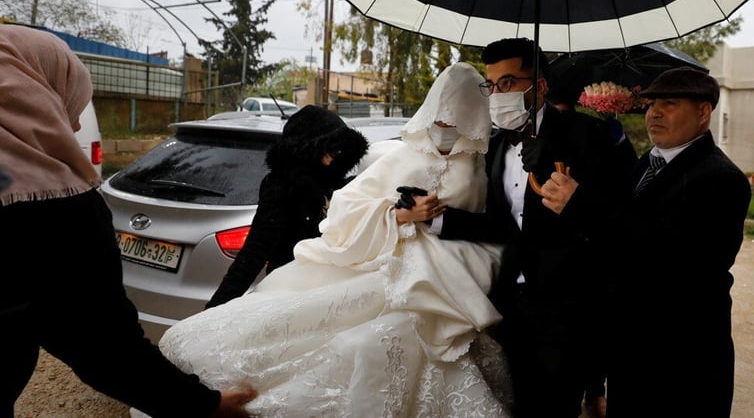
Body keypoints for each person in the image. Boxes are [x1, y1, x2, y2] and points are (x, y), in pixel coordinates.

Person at [158, 62, 514, 416]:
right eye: (439, 119)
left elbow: (489, 223)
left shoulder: (482, 166)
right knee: (307, 333)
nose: (445, 129)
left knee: (381, 347)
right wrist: (399, 214)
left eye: (454, 121)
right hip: (376, 264)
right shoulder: (400, 157)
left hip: (445, 277)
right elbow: (344, 211)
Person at [0, 23, 256, 417]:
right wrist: (205, 405)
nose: (74, 124)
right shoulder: (53, 207)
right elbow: (101, 346)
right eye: (70, 102)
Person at [428, 38, 631, 417]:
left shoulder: (589, 135)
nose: (496, 94)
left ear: (538, 85)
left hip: (567, 310)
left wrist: (577, 201)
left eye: (507, 83)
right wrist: (435, 217)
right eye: (491, 85)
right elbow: (499, 224)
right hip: (510, 305)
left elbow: (623, 221)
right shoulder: (494, 145)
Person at [606, 67, 751, 417]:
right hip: (633, 345)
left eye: (669, 103)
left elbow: (671, 258)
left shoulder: (720, 179)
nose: (653, 112)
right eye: (651, 103)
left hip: (683, 354)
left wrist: (582, 206)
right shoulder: (649, 162)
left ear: (704, 112)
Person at [206, 105, 369, 308]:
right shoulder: (281, 187)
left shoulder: (337, 185)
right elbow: (254, 252)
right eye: (325, 150)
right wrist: (216, 308)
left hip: (328, 294)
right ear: (306, 147)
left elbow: (377, 197)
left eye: (336, 151)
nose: (329, 159)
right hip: (286, 293)